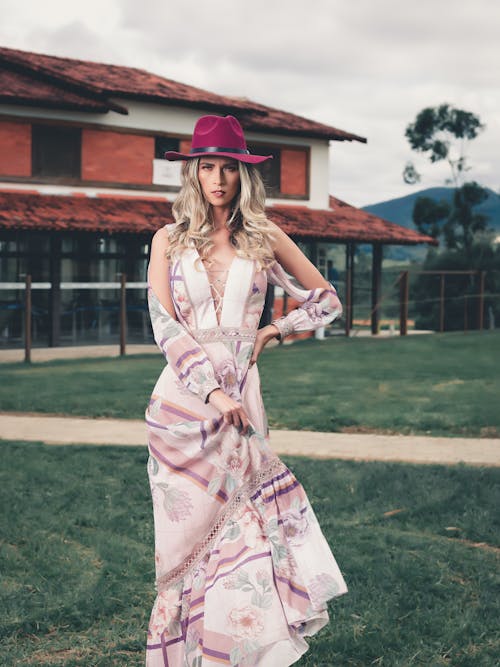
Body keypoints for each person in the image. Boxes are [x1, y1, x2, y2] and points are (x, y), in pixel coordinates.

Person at [145, 114, 347, 666]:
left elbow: (327, 300)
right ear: (193, 174)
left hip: (242, 404)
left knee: (248, 530)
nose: (216, 178)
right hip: (181, 411)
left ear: (243, 175)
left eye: (227, 168)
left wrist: (277, 328)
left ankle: (240, 652)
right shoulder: (167, 239)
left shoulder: (264, 237)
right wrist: (212, 392)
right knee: (186, 550)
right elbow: (165, 326)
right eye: (206, 166)